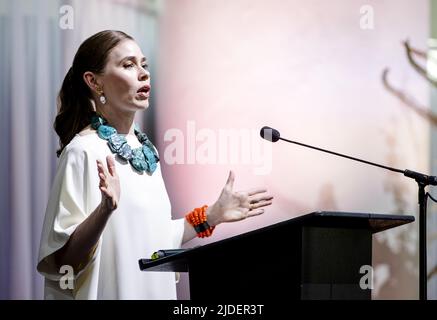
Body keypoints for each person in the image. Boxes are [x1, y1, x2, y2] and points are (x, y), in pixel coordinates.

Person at [37, 30, 273, 300]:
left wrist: (212, 215)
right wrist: (104, 210)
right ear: (94, 82)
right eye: (128, 65)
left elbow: (154, 241)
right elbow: (63, 262)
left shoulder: (144, 151)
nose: (143, 73)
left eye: (144, 65)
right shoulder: (83, 152)